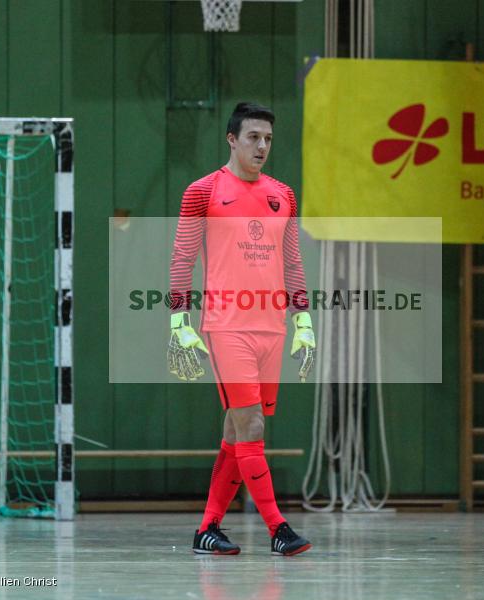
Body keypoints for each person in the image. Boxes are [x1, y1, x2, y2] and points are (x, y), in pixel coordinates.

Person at [167, 102, 315, 557]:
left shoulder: (283, 195)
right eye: (253, 137)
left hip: (272, 329)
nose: (262, 147)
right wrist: (179, 321)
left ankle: (207, 529)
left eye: (268, 139)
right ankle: (278, 529)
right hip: (226, 327)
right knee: (250, 424)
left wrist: (303, 321)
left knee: (237, 432)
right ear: (232, 139)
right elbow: (182, 258)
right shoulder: (203, 191)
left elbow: (292, 261)